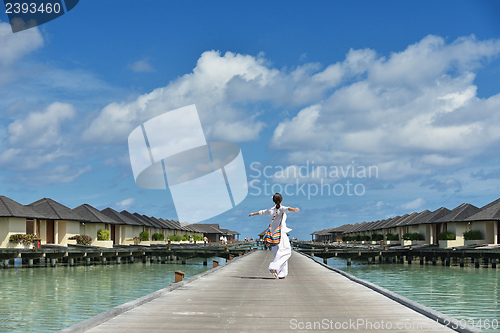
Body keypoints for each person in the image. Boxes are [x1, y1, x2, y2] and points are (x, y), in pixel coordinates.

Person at [249, 193, 299, 279]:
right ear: (281, 200)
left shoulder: (271, 209)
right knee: (286, 252)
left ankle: (281, 273)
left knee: (278, 253)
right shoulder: (281, 209)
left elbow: (262, 212)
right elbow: (287, 209)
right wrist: (294, 209)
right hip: (281, 235)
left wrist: (254, 213)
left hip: (273, 235)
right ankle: (274, 267)